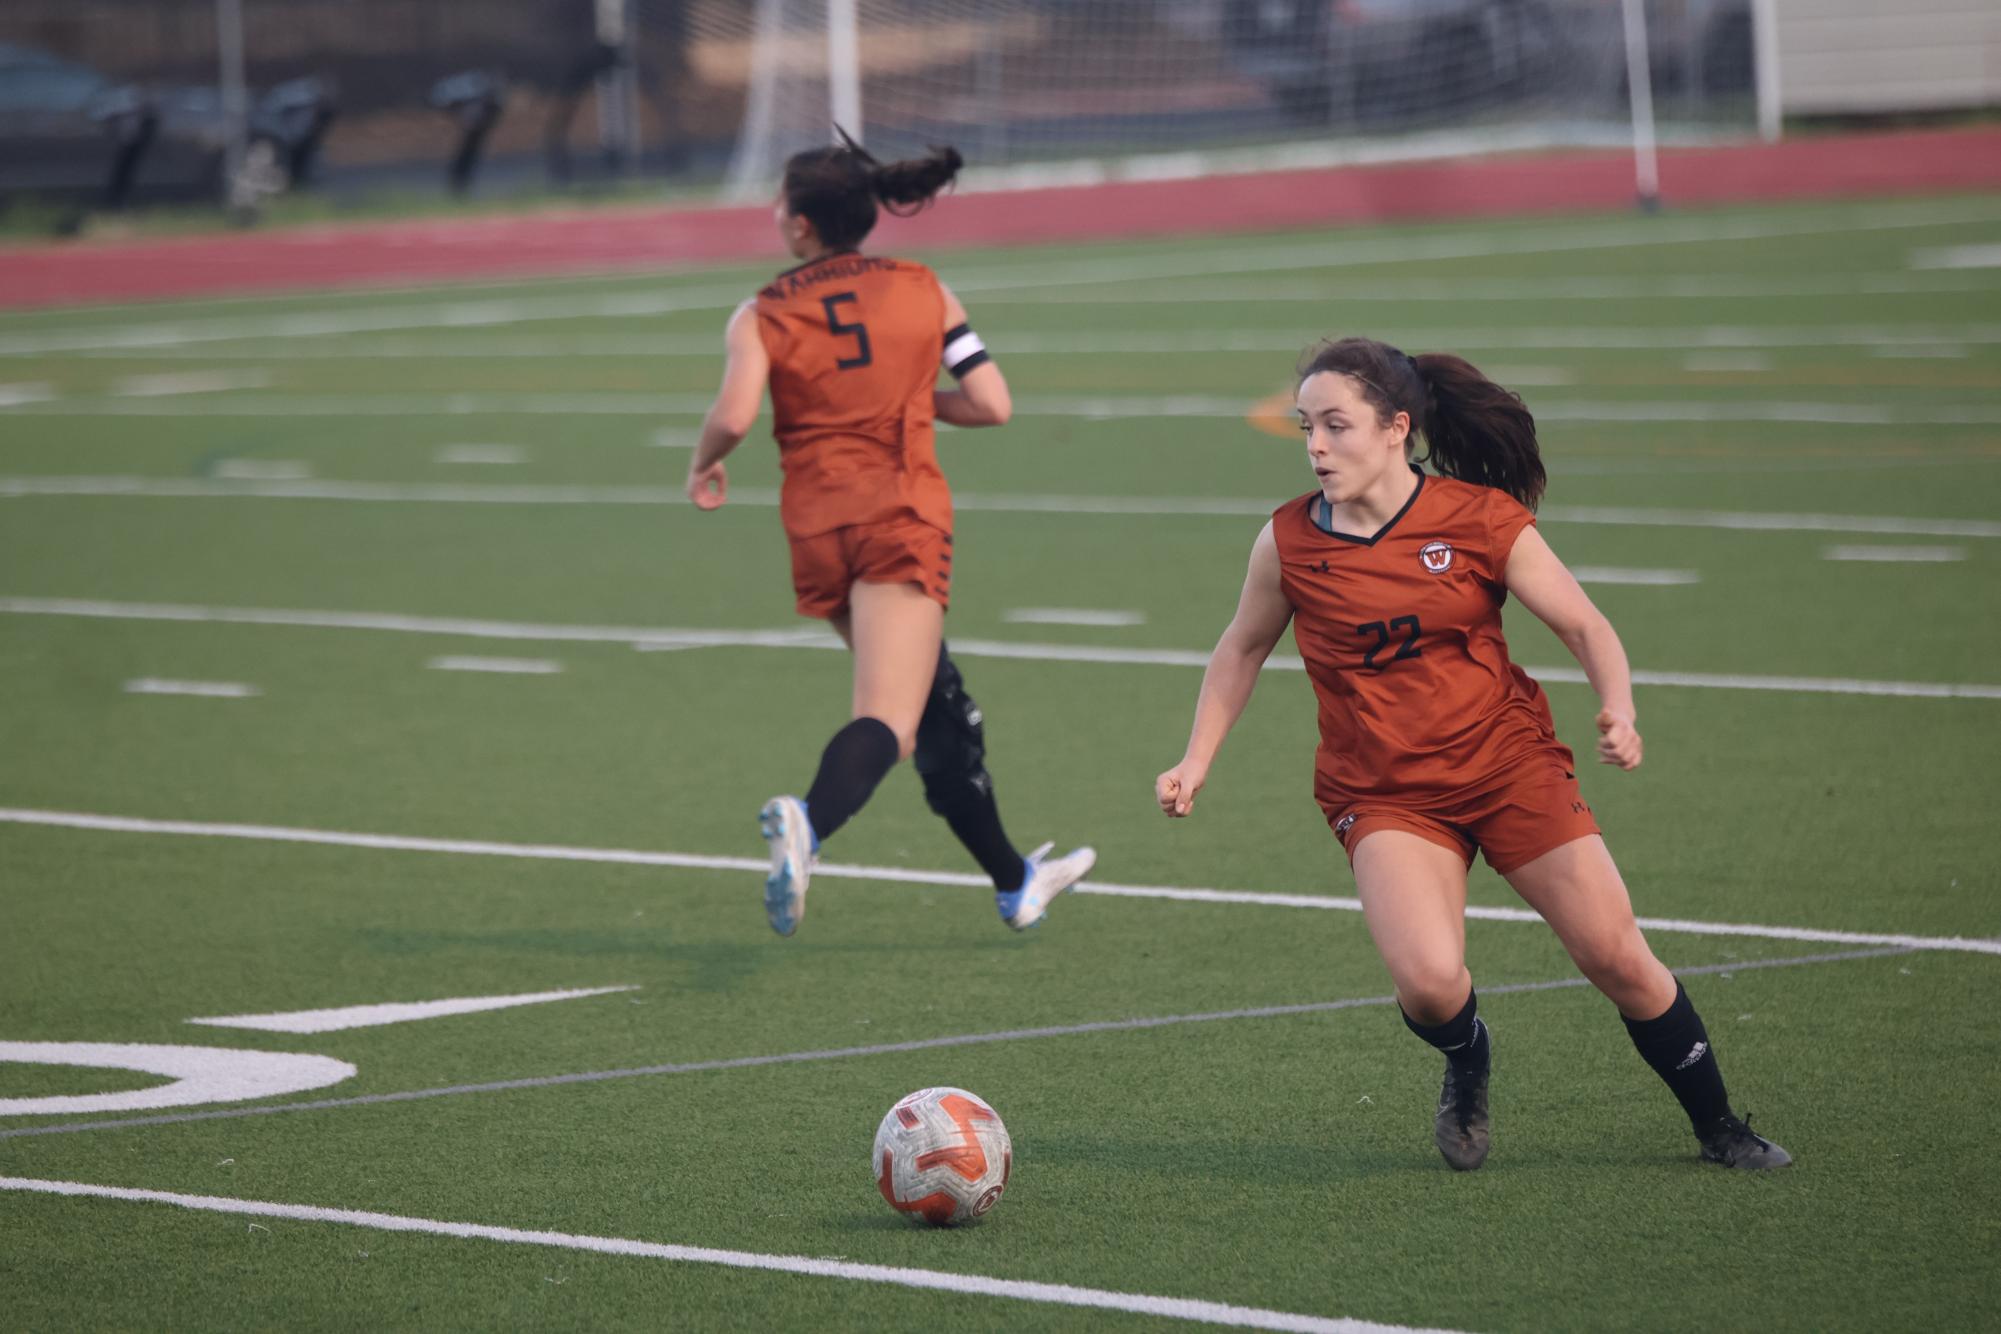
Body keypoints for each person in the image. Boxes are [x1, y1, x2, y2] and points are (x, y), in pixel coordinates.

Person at [1154, 337, 1789, 1172]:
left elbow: (1583, 625)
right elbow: (1239, 650)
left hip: (1507, 766)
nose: (1313, 446)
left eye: (1335, 426)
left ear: (1395, 428)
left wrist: (1617, 706)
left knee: (1615, 957)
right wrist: (1196, 759)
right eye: (1305, 426)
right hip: (1384, 794)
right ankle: (1467, 1053)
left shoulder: (1477, 518)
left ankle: (1718, 1128)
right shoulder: (1286, 543)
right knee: (1428, 984)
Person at [686, 130, 1095, 938]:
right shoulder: (923, 288)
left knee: (935, 704)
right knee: (890, 720)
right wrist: (908, 403)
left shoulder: (761, 310)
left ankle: (1015, 880)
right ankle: (808, 823)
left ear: (801, 224)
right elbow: (992, 404)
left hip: (814, 526)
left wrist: (702, 466)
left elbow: (734, 416)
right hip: (898, 519)